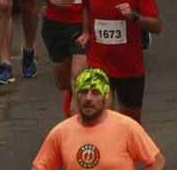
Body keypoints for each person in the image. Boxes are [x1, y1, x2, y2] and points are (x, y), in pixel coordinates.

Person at [81, 0, 162, 123]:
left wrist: (135, 16)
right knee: (102, 115)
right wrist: (86, 31)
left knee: (130, 123)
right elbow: (86, 7)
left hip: (129, 67)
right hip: (99, 64)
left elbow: (157, 26)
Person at [30, 68, 166, 170]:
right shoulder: (61, 132)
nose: (88, 98)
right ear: (76, 96)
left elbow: (157, 161)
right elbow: (39, 167)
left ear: (105, 97)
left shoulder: (126, 127)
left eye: (95, 93)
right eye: (83, 92)